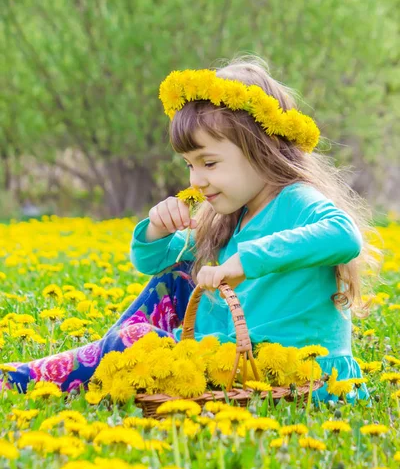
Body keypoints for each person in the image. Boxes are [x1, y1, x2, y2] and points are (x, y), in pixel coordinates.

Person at [1, 56, 380, 405]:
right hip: (225, 363)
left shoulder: (295, 199)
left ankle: (39, 375)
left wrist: (247, 260)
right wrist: (156, 230)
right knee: (179, 278)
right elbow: (152, 262)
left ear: (261, 150)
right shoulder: (231, 216)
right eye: (189, 165)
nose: (196, 179)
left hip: (291, 376)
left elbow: (343, 236)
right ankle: (78, 364)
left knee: (133, 342)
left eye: (209, 163)